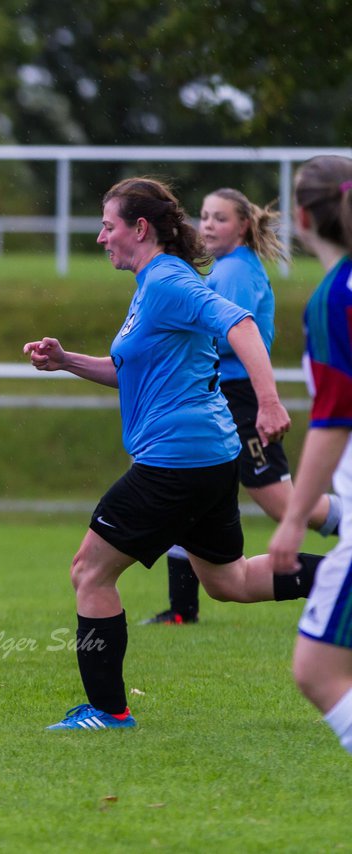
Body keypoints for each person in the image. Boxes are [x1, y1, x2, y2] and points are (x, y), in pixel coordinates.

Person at [23, 176, 324, 731]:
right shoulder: (154, 283)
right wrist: (67, 361)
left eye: (107, 225)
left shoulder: (165, 280)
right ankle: (340, 579)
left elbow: (240, 322)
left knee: (88, 573)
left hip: (177, 458)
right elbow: (127, 370)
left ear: (140, 228)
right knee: (227, 581)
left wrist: (269, 401)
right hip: (205, 455)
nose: (100, 237)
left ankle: (109, 713)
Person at [144, 188, 342, 626]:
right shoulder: (224, 268)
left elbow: (228, 332)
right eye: (205, 216)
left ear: (244, 226)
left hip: (240, 396)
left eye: (220, 218)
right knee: (192, 492)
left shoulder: (235, 271)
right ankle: (182, 608)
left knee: (286, 504)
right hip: (221, 394)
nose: (209, 225)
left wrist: (174, 338)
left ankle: (343, 560)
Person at [268, 155, 352, 756]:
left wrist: (294, 519)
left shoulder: (334, 298)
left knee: (317, 671)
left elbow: (333, 419)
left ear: (301, 218)